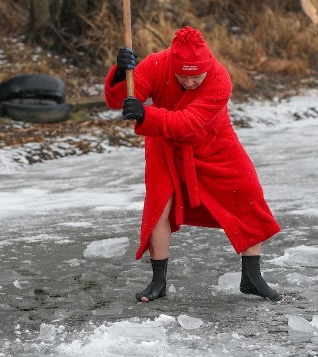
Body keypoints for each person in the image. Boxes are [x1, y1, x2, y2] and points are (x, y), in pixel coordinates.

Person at [104, 26, 282, 302]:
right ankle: (158, 281)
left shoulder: (220, 78)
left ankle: (252, 277)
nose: (189, 84)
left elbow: (190, 123)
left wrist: (146, 114)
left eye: (195, 77)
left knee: (248, 194)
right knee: (158, 208)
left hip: (213, 141)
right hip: (163, 143)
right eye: (182, 78)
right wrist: (120, 73)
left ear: (206, 68)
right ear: (172, 66)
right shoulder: (156, 64)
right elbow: (119, 100)